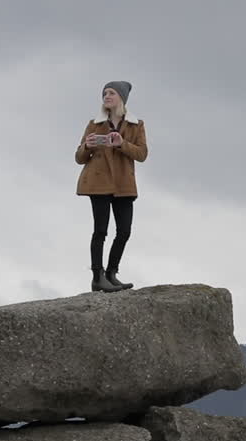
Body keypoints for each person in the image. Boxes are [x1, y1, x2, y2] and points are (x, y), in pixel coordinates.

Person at [75, 80, 149, 292]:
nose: (106, 96)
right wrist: (87, 146)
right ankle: (97, 277)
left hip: (124, 184)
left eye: (111, 93)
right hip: (98, 182)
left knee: (124, 231)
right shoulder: (94, 124)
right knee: (100, 231)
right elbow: (79, 157)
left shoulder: (137, 125)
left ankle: (111, 273)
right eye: (104, 93)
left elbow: (142, 154)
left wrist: (121, 144)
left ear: (121, 98)